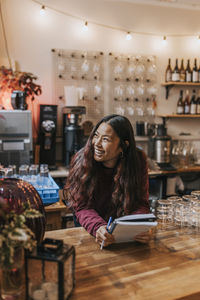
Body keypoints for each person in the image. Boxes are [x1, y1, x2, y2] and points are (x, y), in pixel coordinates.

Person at [64, 114, 151, 247]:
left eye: (105, 139)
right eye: (96, 135)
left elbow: (140, 203)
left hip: (123, 236)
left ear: (123, 146)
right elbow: (82, 206)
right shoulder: (81, 160)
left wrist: (140, 226)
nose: (97, 143)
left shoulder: (137, 161)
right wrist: (98, 227)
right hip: (91, 232)